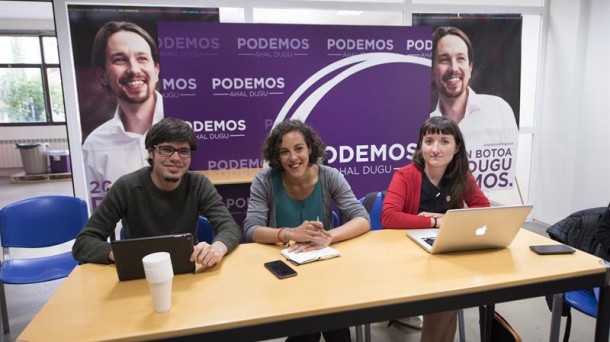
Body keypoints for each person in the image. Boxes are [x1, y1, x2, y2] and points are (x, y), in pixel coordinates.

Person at [243, 119, 370, 342]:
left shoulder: (329, 176)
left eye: (299, 148)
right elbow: (251, 229)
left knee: (335, 327)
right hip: (284, 271)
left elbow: (362, 218)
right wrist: (288, 233)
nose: (293, 158)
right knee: (309, 330)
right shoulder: (264, 181)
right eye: (284, 152)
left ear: (310, 148)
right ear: (276, 156)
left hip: (324, 267)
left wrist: (329, 236)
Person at [73, 118, 241, 267]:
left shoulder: (198, 184)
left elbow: (230, 228)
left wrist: (217, 248)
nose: (176, 158)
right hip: (139, 270)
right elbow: (84, 242)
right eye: (167, 149)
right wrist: (120, 254)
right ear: (150, 152)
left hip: (188, 267)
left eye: (183, 151)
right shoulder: (126, 186)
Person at [381, 116, 490, 342]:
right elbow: (389, 217)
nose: (435, 149)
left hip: (445, 252)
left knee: (450, 293)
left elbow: (483, 208)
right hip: (408, 255)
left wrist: (446, 218)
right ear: (420, 146)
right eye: (429, 141)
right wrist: (434, 222)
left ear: (457, 146)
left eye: (444, 141)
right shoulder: (405, 175)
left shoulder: (461, 176)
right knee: (448, 295)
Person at [430, 26, 519, 192]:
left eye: (460, 58)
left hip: (489, 209)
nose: (454, 68)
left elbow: (509, 174)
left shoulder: (499, 110)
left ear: (470, 68)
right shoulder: (425, 124)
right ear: (432, 70)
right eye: (444, 59)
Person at [82, 21, 164, 200]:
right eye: (120, 59)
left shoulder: (192, 125)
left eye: (142, 58)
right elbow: (97, 215)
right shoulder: (94, 145)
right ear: (103, 75)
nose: (134, 69)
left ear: (156, 70)